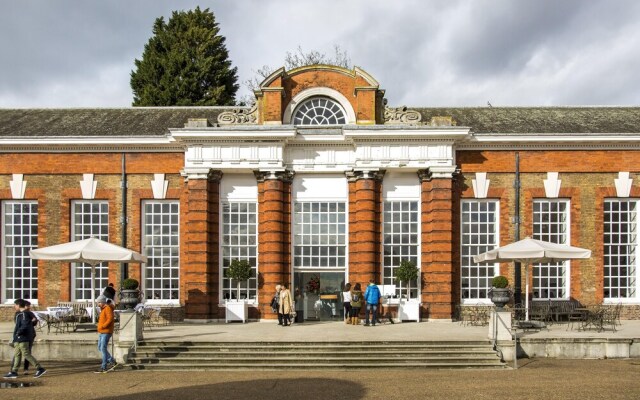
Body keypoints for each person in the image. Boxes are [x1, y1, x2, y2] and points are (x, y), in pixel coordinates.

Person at [3, 299, 46, 379]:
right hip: (19, 337)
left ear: (18, 305)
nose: (14, 307)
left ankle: (40, 368)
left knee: (26, 354)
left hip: (22, 337)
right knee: (17, 354)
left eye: (15, 305)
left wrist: (18, 332)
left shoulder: (24, 314)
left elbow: (25, 325)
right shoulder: (21, 314)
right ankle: (14, 371)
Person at [95, 295, 118, 373]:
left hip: (106, 331)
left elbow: (110, 319)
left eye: (98, 303)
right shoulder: (103, 309)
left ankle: (104, 366)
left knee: (103, 348)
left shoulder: (107, 308)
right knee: (100, 347)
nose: (98, 304)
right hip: (102, 331)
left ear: (102, 302)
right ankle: (111, 361)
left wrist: (103, 326)